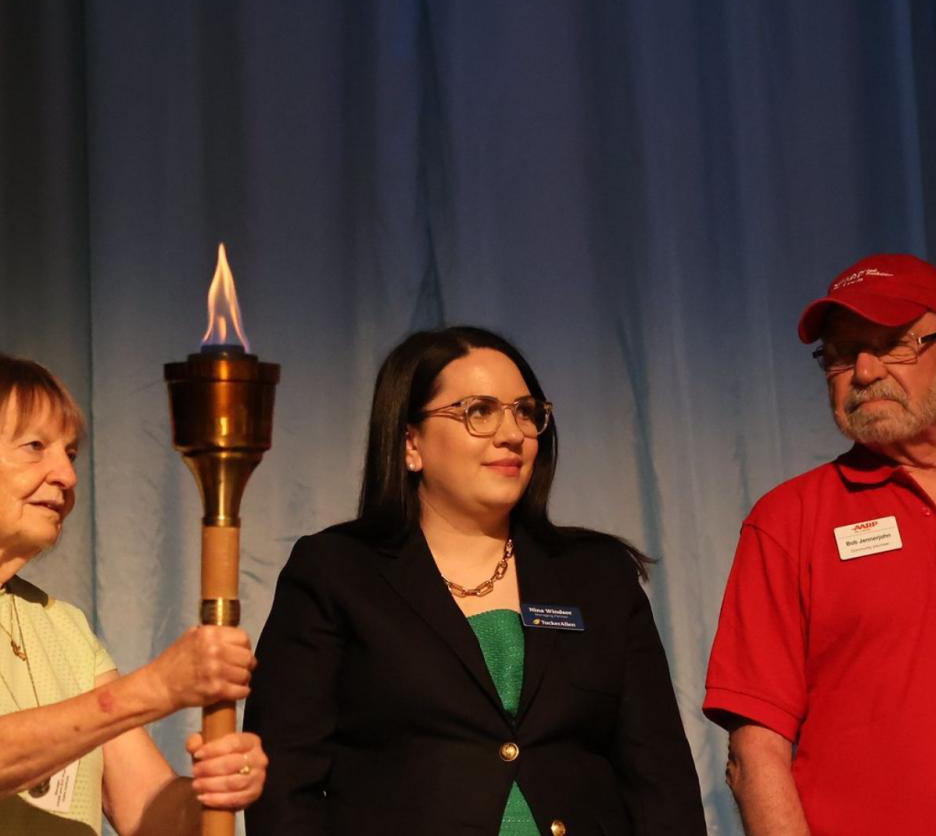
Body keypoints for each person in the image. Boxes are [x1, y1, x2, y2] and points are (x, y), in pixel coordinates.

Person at [244, 326, 706, 836]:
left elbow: (661, 782)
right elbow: (284, 782)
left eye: (526, 412)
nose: (512, 434)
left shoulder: (597, 575)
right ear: (410, 442)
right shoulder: (336, 572)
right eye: (478, 412)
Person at [0, 353, 266, 835]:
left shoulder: (64, 627)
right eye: (35, 446)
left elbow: (149, 813)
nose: (67, 476)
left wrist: (213, 793)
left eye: (71, 453)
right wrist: (158, 688)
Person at [706, 254, 936, 834]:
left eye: (891, 344)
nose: (862, 370)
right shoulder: (788, 520)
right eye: (839, 353)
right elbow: (757, 749)